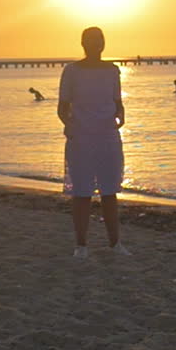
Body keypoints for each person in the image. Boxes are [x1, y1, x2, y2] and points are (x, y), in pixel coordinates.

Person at [57, 27, 130, 258]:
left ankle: (115, 243)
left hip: (107, 137)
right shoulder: (72, 71)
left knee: (109, 192)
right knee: (82, 193)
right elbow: (62, 108)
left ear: (104, 43)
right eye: (90, 40)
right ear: (83, 43)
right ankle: (81, 245)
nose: (95, 44)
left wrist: (121, 114)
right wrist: (69, 124)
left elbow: (117, 102)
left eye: (99, 40)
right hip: (81, 138)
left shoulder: (112, 71)